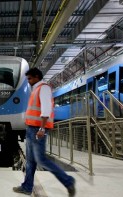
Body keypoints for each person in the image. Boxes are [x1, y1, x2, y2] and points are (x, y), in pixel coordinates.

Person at [13, 67, 76, 196]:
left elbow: (46, 109)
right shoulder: (36, 89)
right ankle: (27, 187)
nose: (28, 81)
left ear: (36, 77)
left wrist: (42, 128)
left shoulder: (44, 88)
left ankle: (68, 181)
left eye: (30, 78)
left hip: (37, 130)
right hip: (31, 128)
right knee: (30, 161)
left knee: (41, 160)